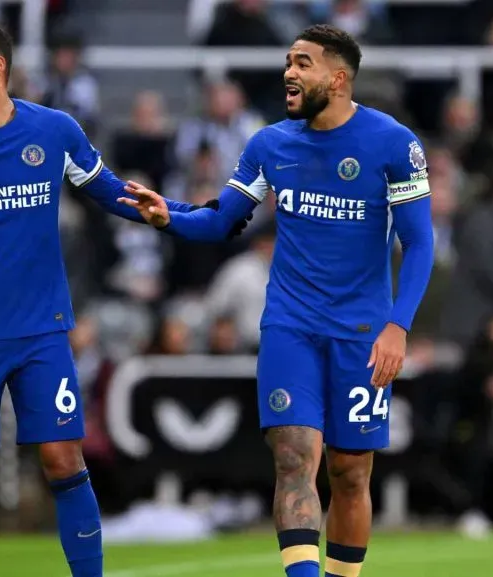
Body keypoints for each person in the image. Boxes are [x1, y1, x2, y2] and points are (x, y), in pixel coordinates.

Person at [0, 21, 248, 577]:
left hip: (42, 329)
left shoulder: (53, 130)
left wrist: (181, 216)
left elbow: (109, 191)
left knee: (64, 457)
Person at [119, 25, 435, 577]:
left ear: (337, 78)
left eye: (303, 63)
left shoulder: (393, 144)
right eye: (288, 61)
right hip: (290, 326)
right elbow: (222, 221)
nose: (289, 72)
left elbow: (420, 241)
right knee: (293, 459)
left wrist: (398, 326)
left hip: (362, 334)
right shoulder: (270, 145)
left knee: (351, 474)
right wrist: (168, 214)